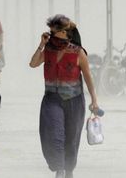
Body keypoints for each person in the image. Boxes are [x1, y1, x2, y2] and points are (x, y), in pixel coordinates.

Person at [29, 14, 99, 178]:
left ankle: (69, 170)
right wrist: (41, 45)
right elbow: (33, 64)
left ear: (65, 33)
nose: (51, 36)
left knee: (72, 138)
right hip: (51, 100)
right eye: (50, 32)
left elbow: (88, 77)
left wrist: (94, 100)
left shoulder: (78, 52)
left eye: (54, 33)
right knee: (54, 134)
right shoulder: (48, 49)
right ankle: (59, 169)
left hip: (74, 101)